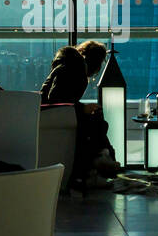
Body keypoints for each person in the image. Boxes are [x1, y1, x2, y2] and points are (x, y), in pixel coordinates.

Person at [39, 40, 118, 191]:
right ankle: (102, 158)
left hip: (49, 114)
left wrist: (82, 108)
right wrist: (82, 108)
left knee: (97, 121)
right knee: (96, 124)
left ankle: (101, 158)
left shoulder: (69, 64)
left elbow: (56, 96)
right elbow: (56, 98)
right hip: (55, 114)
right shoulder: (77, 69)